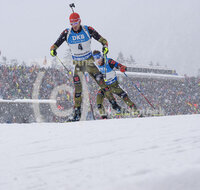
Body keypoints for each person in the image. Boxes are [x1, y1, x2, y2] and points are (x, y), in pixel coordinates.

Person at [50, 12, 117, 121]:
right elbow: (54, 45)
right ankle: (77, 113)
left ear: (80, 21)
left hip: (89, 63)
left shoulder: (88, 30)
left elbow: (103, 40)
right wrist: (53, 50)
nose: (74, 25)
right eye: (72, 23)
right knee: (78, 90)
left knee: (102, 83)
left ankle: (114, 104)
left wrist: (105, 47)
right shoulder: (67, 33)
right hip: (78, 65)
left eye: (76, 22)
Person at [93, 50, 140, 117]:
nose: (98, 62)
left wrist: (122, 68)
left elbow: (118, 65)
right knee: (99, 101)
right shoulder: (96, 66)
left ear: (101, 57)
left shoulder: (108, 61)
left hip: (114, 85)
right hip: (105, 87)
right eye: (96, 60)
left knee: (125, 97)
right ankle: (104, 117)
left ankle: (137, 112)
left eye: (99, 59)